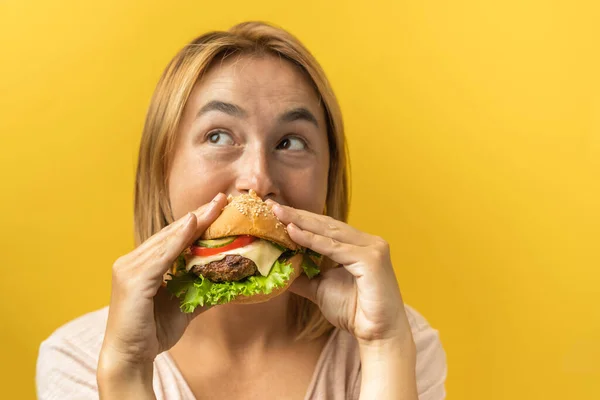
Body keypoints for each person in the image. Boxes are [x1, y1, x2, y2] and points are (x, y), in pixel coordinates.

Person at [36, 21, 447, 399]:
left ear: (329, 177)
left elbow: (390, 344)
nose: (258, 179)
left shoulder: (402, 342)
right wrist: (126, 371)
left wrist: (383, 345)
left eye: (291, 142)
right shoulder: (78, 359)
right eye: (218, 136)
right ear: (161, 168)